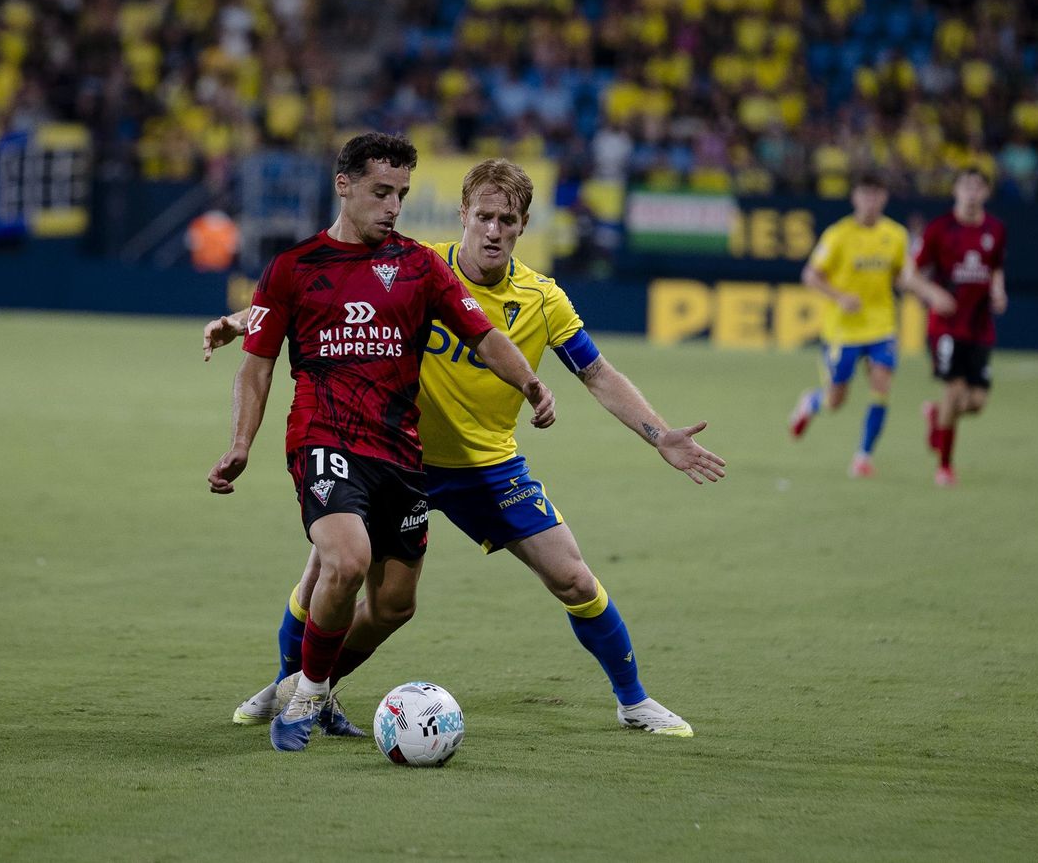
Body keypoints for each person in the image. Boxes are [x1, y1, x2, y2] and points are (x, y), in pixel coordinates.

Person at [206, 158, 725, 737]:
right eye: (484, 216)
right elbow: (325, 299)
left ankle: (634, 701)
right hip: (393, 454)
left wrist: (659, 435)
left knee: (574, 578)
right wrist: (239, 318)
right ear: (464, 216)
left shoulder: (543, 299)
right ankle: (287, 689)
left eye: (508, 219)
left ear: (524, 225)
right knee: (328, 574)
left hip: (486, 466)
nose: (494, 230)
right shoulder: (413, 264)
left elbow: (597, 373)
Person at [207, 136, 556, 754]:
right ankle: (310, 693)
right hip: (324, 434)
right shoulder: (292, 268)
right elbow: (256, 366)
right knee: (345, 560)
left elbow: (483, 333)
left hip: (399, 451)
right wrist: (240, 444)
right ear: (343, 185)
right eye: (380, 192)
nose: (393, 206)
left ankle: (312, 684)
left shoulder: (422, 266)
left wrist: (530, 382)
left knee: (394, 605)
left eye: (401, 194)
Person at [789, 173, 955, 477]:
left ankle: (863, 457)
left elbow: (904, 276)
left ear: (884, 198)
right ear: (855, 198)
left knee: (881, 386)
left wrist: (928, 294)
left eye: (875, 194)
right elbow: (810, 275)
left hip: (881, 326)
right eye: (864, 194)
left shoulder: (895, 235)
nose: (870, 201)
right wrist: (839, 297)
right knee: (836, 400)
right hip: (843, 329)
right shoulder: (838, 234)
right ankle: (810, 402)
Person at [915, 167, 1008, 487]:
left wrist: (998, 290)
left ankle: (935, 416)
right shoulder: (939, 229)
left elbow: (995, 268)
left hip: (980, 325)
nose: (971, 192)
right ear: (955, 191)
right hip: (946, 325)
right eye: (965, 186)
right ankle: (945, 466)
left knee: (976, 403)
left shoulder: (996, 230)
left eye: (977, 187)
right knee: (954, 390)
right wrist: (933, 294)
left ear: (986, 193)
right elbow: (912, 274)